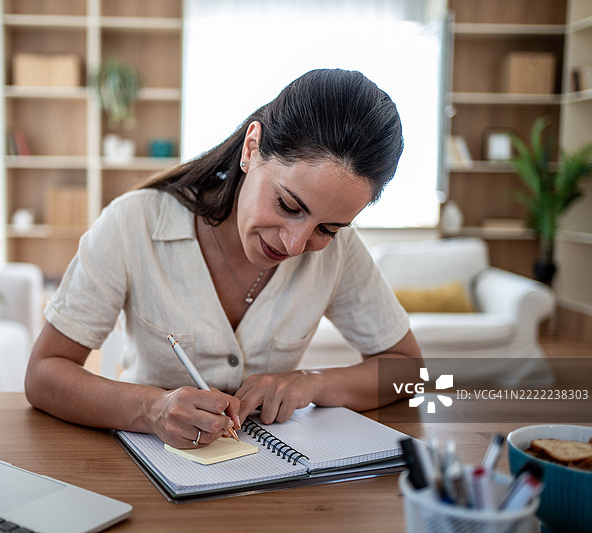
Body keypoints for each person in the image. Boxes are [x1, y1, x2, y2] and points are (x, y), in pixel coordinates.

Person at [25, 68, 423, 449]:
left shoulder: (340, 254)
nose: (296, 244)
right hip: (147, 473)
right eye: (287, 205)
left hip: (269, 484)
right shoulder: (134, 222)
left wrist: (311, 382)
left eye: (328, 229)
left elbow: (408, 369)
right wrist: (152, 409)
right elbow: (44, 373)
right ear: (252, 148)